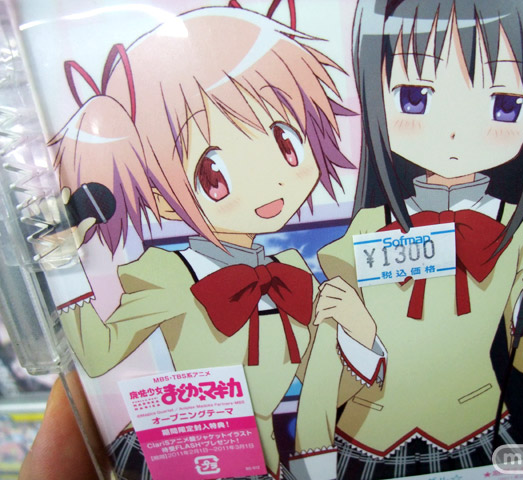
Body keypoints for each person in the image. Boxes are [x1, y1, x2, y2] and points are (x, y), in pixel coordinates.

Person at [47, 6, 352, 479]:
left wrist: (350, 335)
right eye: (214, 173)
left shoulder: (291, 268)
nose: (270, 182)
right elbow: (99, 354)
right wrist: (67, 265)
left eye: (286, 143)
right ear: (160, 198)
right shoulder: (167, 275)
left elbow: (320, 384)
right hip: (204, 456)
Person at [315, 0, 523, 477]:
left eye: (505, 105)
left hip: (477, 428)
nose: (455, 133)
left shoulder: (520, 229)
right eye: (414, 97)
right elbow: (323, 374)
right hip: (371, 435)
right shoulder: (365, 230)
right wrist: (359, 335)